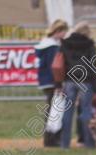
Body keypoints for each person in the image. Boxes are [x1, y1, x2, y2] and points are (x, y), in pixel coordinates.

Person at [59, 22, 96, 149]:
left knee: (67, 111)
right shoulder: (89, 44)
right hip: (86, 80)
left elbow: (61, 62)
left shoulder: (65, 44)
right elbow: (94, 66)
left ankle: (64, 143)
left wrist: (59, 82)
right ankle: (89, 142)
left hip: (69, 79)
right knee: (86, 111)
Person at [34, 19, 69, 147]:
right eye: (64, 32)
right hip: (52, 81)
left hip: (46, 81)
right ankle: (51, 140)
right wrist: (58, 83)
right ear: (58, 31)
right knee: (53, 112)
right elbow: (54, 66)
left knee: (51, 110)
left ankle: (50, 139)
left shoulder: (44, 44)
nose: (65, 35)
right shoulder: (52, 47)